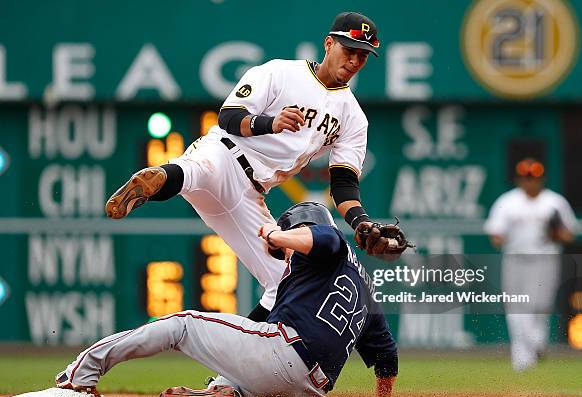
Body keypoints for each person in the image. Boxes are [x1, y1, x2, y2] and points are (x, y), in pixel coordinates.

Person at [104, 12, 408, 321]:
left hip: (250, 194)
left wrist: (361, 222)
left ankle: (234, 366)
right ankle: (155, 181)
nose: (355, 60)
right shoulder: (280, 72)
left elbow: (343, 183)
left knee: (285, 281)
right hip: (226, 153)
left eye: (363, 55)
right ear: (329, 44)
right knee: (199, 169)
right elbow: (229, 117)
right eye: (349, 49)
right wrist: (270, 123)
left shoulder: (354, 118)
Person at [55, 202, 398, 397]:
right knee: (244, 363)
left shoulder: (330, 241)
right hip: (310, 392)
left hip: (284, 352)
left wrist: (277, 236)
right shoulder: (361, 286)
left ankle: (78, 376)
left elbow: (320, 237)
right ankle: (225, 392)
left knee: (183, 323)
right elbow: (386, 355)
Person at [483, 158, 578, 371]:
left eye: (534, 177)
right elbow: (495, 234)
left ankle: (537, 343)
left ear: (541, 179)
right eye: (526, 178)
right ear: (519, 179)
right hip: (515, 258)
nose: (530, 182)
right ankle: (522, 357)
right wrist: (501, 237)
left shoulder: (554, 202)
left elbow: (570, 233)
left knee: (539, 306)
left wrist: (558, 232)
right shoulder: (507, 202)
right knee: (517, 307)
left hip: (545, 259)